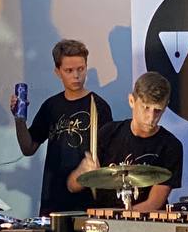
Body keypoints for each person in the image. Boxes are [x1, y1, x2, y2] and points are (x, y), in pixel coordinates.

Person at [69, 72, 188, 232]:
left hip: (146, 230)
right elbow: (73, 185)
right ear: (132, 101)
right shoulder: (108, 134)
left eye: (158, 110)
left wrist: (123, 220)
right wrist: (83, 172)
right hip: (103, 230)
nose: (151, 117)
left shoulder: (171, 146)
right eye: (146, 108)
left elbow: (155, 202)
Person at [13, 39, 114, 216]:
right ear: (57, 72)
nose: (76, 75)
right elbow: (28, 148)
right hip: (53, 202)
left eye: (81, 69)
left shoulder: (99, 106)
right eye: (69, 70)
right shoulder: (51, 106)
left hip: (87, 204)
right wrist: (19, 119)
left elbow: (108, 158)